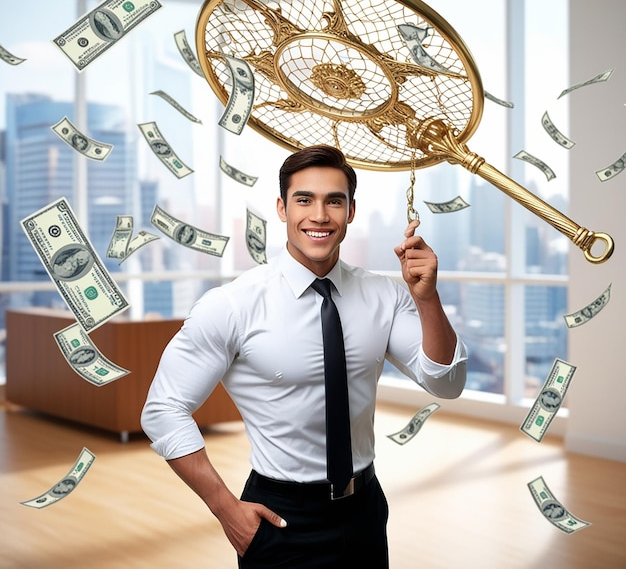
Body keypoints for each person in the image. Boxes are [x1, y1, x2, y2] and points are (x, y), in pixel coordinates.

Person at [141, 144, 467, 568]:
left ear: (350, 211)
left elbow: (447, 383)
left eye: (334, 200)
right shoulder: (232, 305)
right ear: (282, 208)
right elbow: (162, 410)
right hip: (280, 516)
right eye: (304, 200)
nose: (319, 215)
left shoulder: (385, 295)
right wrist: (225, 509)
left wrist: (427, 299)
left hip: (364, 506)